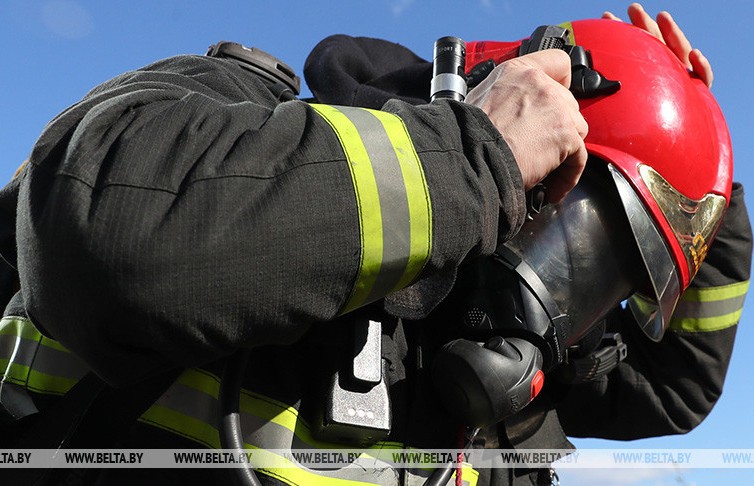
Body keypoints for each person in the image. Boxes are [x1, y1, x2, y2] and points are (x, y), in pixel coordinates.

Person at [0, 4, 749, 486]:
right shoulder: (235, 110)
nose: (559, 292)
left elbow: (674, 386)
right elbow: (112, 237)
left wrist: (703, 177)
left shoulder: (489, 353)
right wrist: (473, 159)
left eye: (602, 272)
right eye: (566, 218)